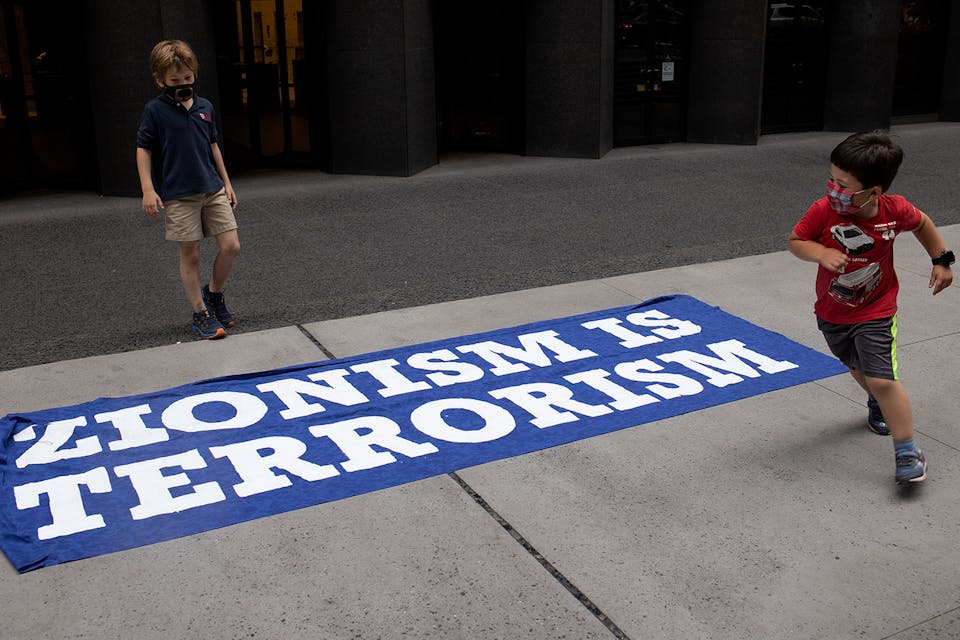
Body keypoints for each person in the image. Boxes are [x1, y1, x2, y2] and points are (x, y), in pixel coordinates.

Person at [788, 130, 954, 484]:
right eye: (831, 180)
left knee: (881, 378)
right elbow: (796, 241)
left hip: (877, 309)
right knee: (856, 367)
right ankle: (877, 402)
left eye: (843, 185)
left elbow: (922, 223)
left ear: (874, 192)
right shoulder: (822, 211)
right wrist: (820, 252)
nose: (833, 189)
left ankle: (907, 450)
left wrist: (941, 260)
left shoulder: (894, 211)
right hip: (832, 312)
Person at [136, 39, 240, 339]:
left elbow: (213, 146)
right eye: (174, 80)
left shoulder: (205, 106)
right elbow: (143, 149)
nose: (183, 84)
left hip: (212, 188)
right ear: (160, 80)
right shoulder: (155, 111)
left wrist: (227, 182)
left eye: (187, 77)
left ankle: (213, 294)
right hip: (179, 194)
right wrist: (147, 189)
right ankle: (199, 313)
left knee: (231, 246)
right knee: (191, 254)